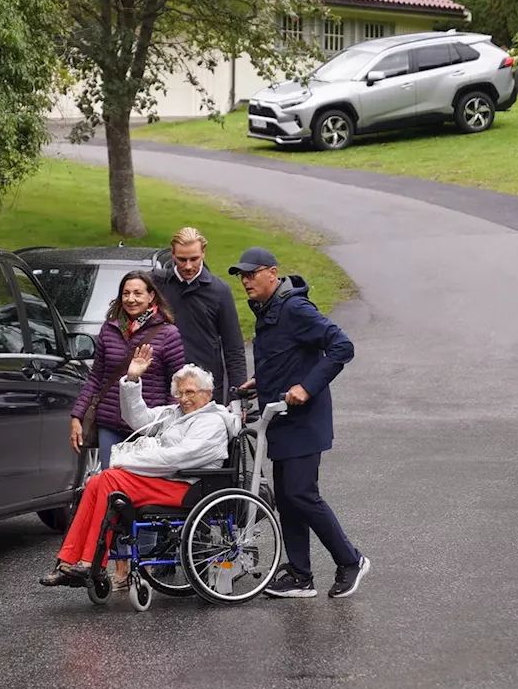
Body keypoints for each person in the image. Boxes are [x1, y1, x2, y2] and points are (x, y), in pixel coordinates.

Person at [229, 246, 370, 599]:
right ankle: (300, 574)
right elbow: (287, 356)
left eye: (251, 273)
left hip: (305, 421)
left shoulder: (294, 308)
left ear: (272, 274)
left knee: (301, 494)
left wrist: (307, 387)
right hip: (281, 419)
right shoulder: (266, 311)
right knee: (288, 499)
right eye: (241, 276)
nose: (245, 281)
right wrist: (262, 381)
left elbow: (342, 347)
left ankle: (351, 561)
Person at [41, 350, 238, 587]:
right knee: (96, 481)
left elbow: (175, 459)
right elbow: (139, 419)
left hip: (190, 486)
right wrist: (132, 380)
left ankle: (90, 562)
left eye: (190, 392)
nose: (184, 399)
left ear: (207, 394)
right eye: (180, 393)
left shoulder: (212, 422)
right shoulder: (176, 414)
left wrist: (127, 462)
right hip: (170, 480)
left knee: (111, 479)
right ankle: (68, 560)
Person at [69, 270, 185, 468]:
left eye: (138, 293)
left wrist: (168, 425)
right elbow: (96, 378)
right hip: (110, 425)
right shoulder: (109, 329)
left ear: (151, 296)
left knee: (139, 490)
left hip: (148, 429)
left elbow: (177, 385)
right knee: (110, 485)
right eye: (126, 293)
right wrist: (77, 416)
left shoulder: (168, 333)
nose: (131, 299)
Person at [153, 227, 247, 406]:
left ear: (203, 253)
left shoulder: (220, 291)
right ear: (172, 254)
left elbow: (233, 348)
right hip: (164, 390)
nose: (188, 266)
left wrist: (238, 399)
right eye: (182, 259)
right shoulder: (158, 286)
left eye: (194, 259)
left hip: (205, 392)